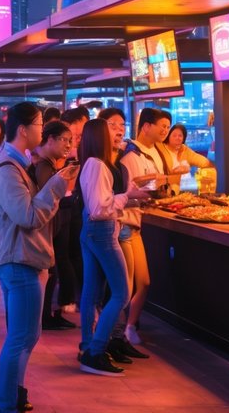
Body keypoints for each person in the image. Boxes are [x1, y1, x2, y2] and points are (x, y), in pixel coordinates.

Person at [0, 102, 79, 413]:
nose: (44, 128)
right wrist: (58, 184)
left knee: (23, 335)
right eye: (40, 123)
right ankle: (7, 403)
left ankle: (14, 396)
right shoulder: (7, 168)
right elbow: (27, 215)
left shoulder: (12, 161)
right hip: (19, 259)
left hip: (19, 256)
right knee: (22, 337)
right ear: (24, 130)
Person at [77, 119, 148, 376]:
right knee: (121, 292)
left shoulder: (95, 163)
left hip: (95, 231)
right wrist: (127, 196)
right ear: (100, 136)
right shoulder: (97, 165)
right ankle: (95, 351)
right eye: (111, 129)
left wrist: (126, 196)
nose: (117, 132)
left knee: (92, 292)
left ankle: (88, 346)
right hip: (102, 231)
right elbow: (99, 209)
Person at [116, 108, 181, 351]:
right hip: (124, 223)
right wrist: (152, 190)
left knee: (143, 282)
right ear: (145, 126)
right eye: (161, 126)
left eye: (167, 126)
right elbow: (130, 190)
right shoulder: (130, 154)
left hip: (135, 225)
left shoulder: (154, 152)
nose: (165, 131)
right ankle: (117, 335)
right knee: (127, 285)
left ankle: (128, 328)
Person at [34, 121, 79, 331]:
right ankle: (44, 317)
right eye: (65, 140)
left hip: (54, 229)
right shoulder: (43, 166)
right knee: (49, 273)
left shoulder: (50, 164)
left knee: (53, 273)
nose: (69, 145)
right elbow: (46, 199)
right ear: (50, 139)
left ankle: (47, 315)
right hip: (47, 231)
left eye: (71, 141)